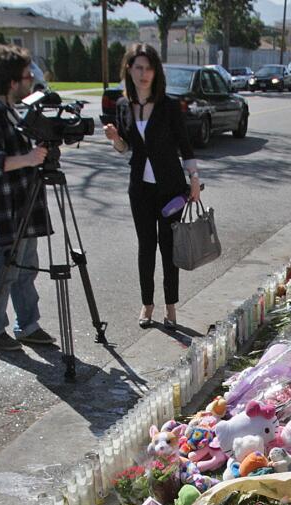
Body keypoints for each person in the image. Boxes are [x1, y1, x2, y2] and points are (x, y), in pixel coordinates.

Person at [103, 43, 200, 330]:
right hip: (140, 190)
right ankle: (147, 304)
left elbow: (185, 146)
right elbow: (128, 149)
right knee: (146, 247)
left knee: (169, 248)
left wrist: (193, 180)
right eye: (138, 68)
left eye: (148, 68)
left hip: (171, 188)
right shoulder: (123, 106)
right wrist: (114, 139)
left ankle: (171, 307)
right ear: (129, 71)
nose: (144, 74)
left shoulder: (169, 106)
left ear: (156, 72)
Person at [0, 45, 56, 352]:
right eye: (26, 74)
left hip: (22, 208)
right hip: (1, 211)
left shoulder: (7, 106)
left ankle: (27, 325)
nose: (31, 79)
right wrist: (28, 159)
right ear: (11, 81)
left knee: (27, 268)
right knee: (2, 271)